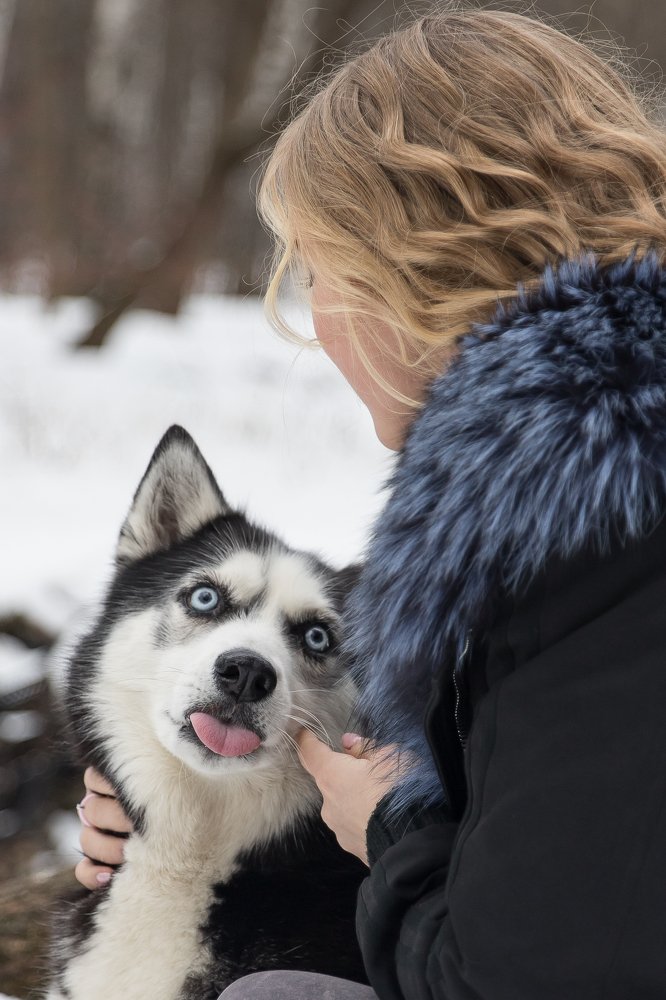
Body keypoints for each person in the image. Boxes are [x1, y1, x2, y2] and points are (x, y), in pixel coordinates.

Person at [75, 7, 666, 999]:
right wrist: (196, 817)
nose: (320, 326)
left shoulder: (587, 532)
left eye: (317, 271)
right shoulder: (586, 476)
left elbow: (534, 965)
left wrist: (391, 827)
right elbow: (569, 844)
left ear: (406, 270)